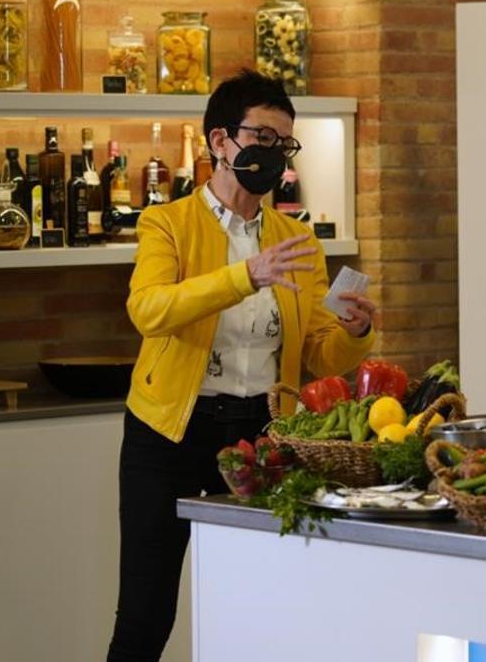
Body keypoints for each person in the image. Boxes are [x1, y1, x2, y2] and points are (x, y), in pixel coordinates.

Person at [108, 70, 377, 661]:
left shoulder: (294, 238)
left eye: (284, 143)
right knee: (147, 615)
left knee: (269, 603)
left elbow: (316, 353)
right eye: (261, 136)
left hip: (261, 432)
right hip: (168, 436)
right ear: (219, 142)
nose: (272, 154)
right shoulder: (166, 223)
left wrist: (356, 333)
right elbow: (149, 310)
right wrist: (245, 275)